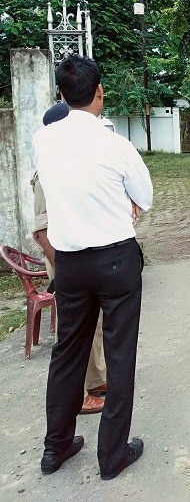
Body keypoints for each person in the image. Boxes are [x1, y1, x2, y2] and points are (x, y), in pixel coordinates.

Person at [33, 55, 152, 480]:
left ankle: (56, 446)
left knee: (68, 351)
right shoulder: (115, 144)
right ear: (99, 92)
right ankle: (112, 454)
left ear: (61, 95)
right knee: (119, 354)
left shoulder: (42, 140)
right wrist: (123, 200)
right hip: (115, 258)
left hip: (69, 262)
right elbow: (146, 196)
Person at [31, 102, 107, 415]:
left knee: (95, 325)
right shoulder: (45, 173)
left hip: (84, 259)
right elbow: (43, 231)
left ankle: (96, 381)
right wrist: (63, 273)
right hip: (66, 264)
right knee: (75, 332)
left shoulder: (67, 165)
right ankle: (79, 396)